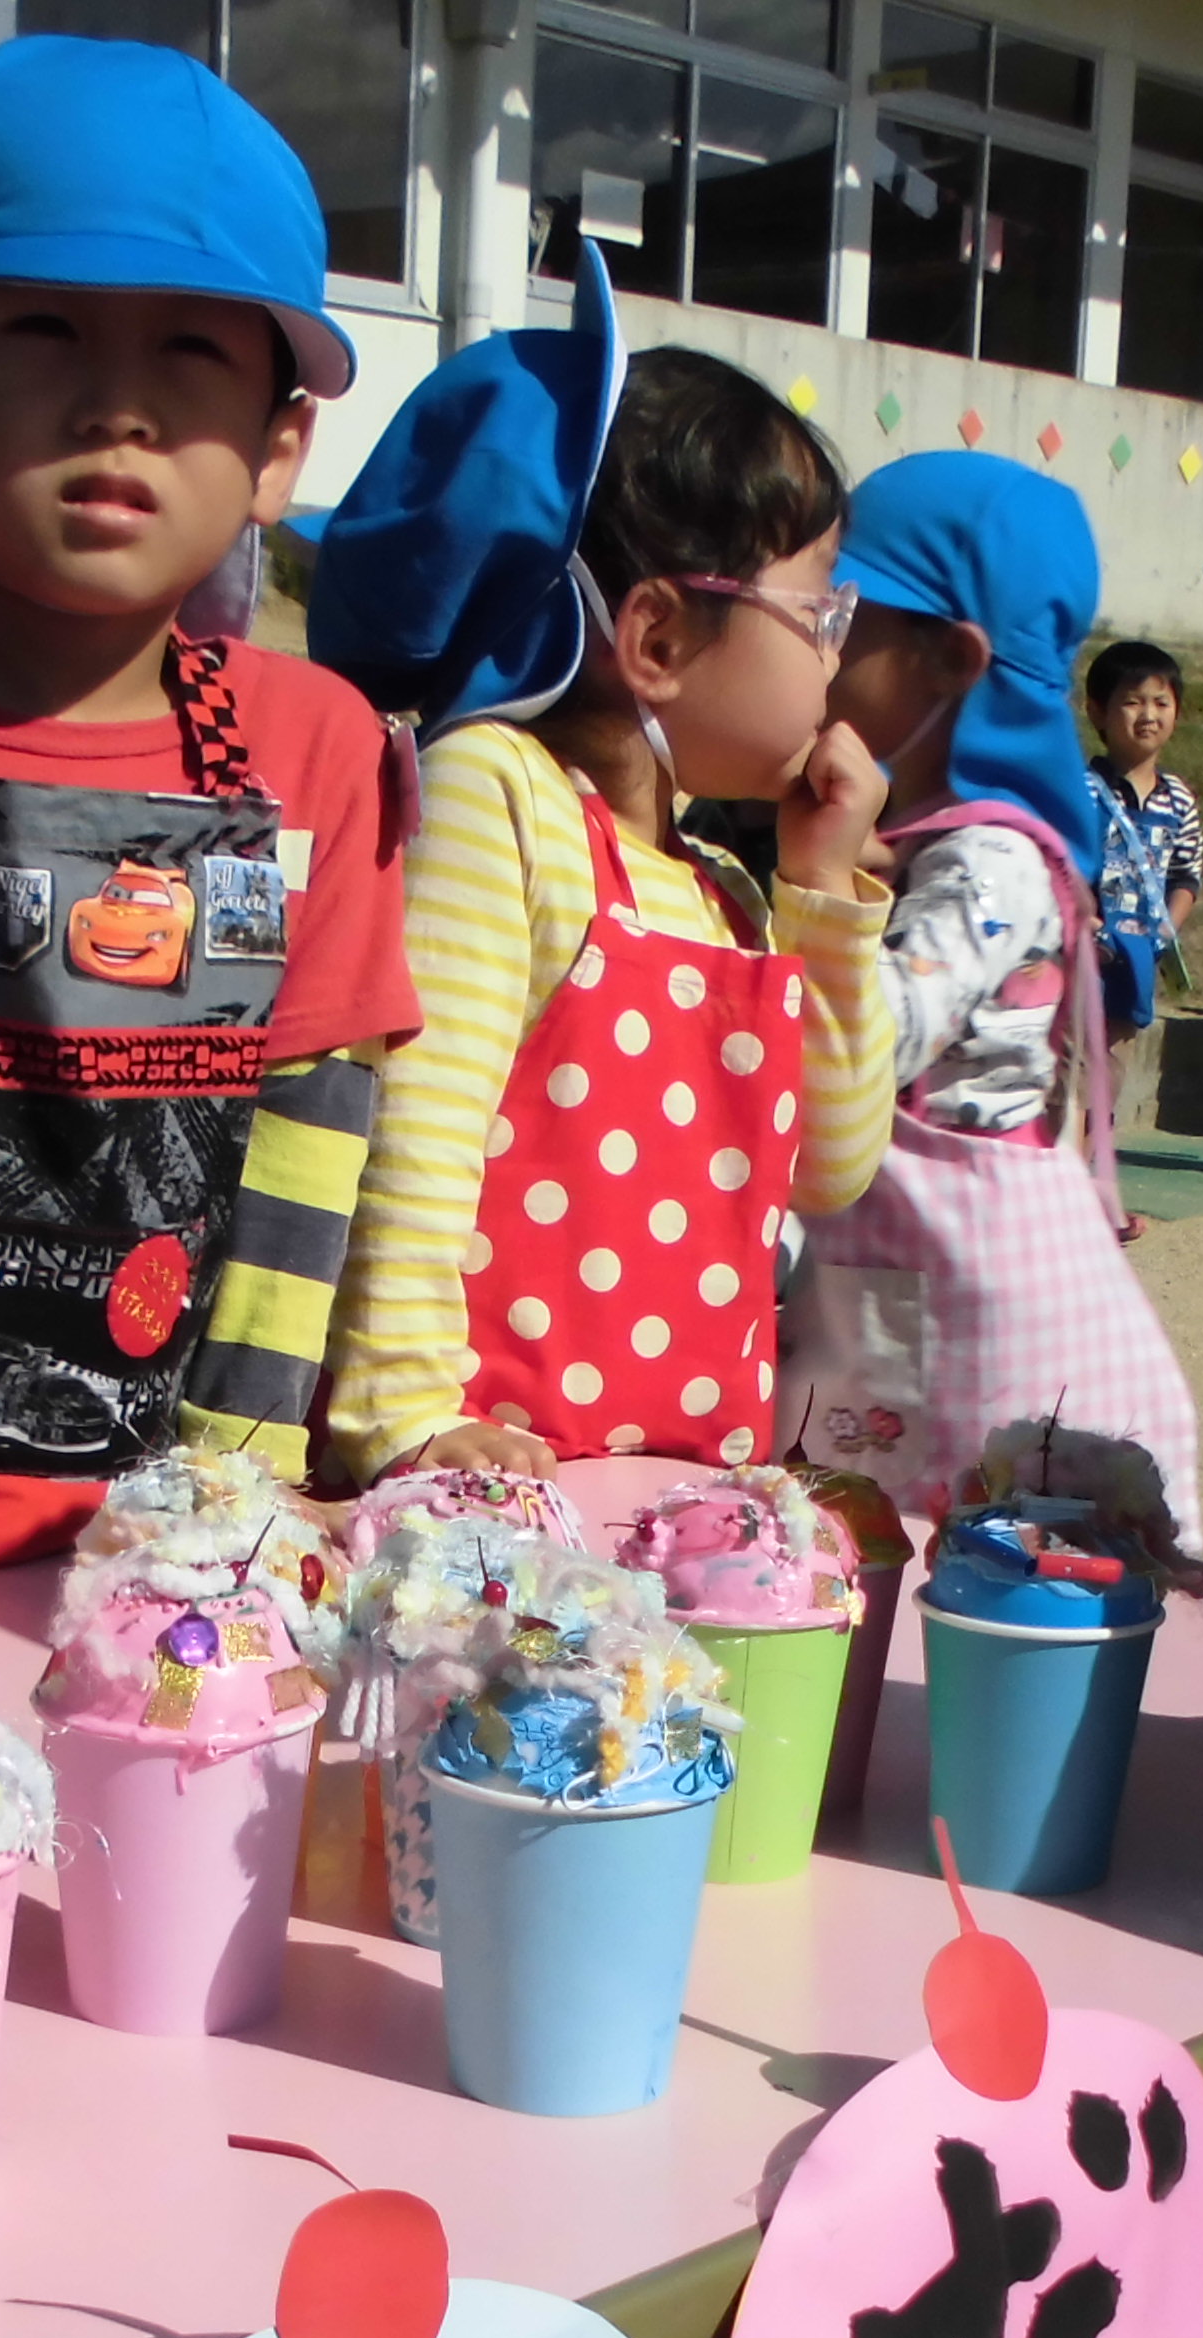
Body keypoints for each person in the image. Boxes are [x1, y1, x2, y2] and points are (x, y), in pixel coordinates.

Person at [0, 38, 418, 1565]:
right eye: (44, 328)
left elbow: (308, 1153)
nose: (117, 405)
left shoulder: (316, 750)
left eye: (191, 350)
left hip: (160, 1558)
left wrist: (236, 1512)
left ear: (278, 451)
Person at [307, 269, 892, 1483]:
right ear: (659, 637)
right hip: (482, 1484)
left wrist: (825, 892)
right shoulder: (498, 795)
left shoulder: (723, 887)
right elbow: (416, 1126)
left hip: (672, 1483)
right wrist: (404, 1416)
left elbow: (828, 1167)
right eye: (819, 614)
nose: (837, 660)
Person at [797, 457, 1203, 1543]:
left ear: (950, 660)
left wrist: (820, 882)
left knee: (937, 1549)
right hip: (916, 1272)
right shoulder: (942, 845)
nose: (819, 647)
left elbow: (871, 1043)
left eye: (844, 619)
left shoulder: (989, 862)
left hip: (964, 1285)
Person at [1085, 637, 1202, 1134]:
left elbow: (1186, 874)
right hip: (1081, 954)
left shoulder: (1179, 800)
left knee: (1110, 1071)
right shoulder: (1081, 789)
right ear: (1097, 711)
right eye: (1132, 702)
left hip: (1135, 958)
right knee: (1070, 1074)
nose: (1148, 715)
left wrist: (1163, 933)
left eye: (1161, 702)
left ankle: (1091, 1164)